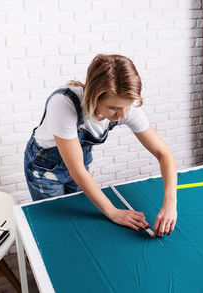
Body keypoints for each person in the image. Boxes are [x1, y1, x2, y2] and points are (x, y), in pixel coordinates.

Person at [24, 54, 177, 237]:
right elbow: (77, 170)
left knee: (81, 222)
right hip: (45, 170)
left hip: (79, 162)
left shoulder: (124, 107)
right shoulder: (63, 103)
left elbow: (164, 154)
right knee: (59, 230)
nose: (122, 115)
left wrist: (170, 204)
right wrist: (114, 213)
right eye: (113, 108)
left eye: (127, 107)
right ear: (94, 97)